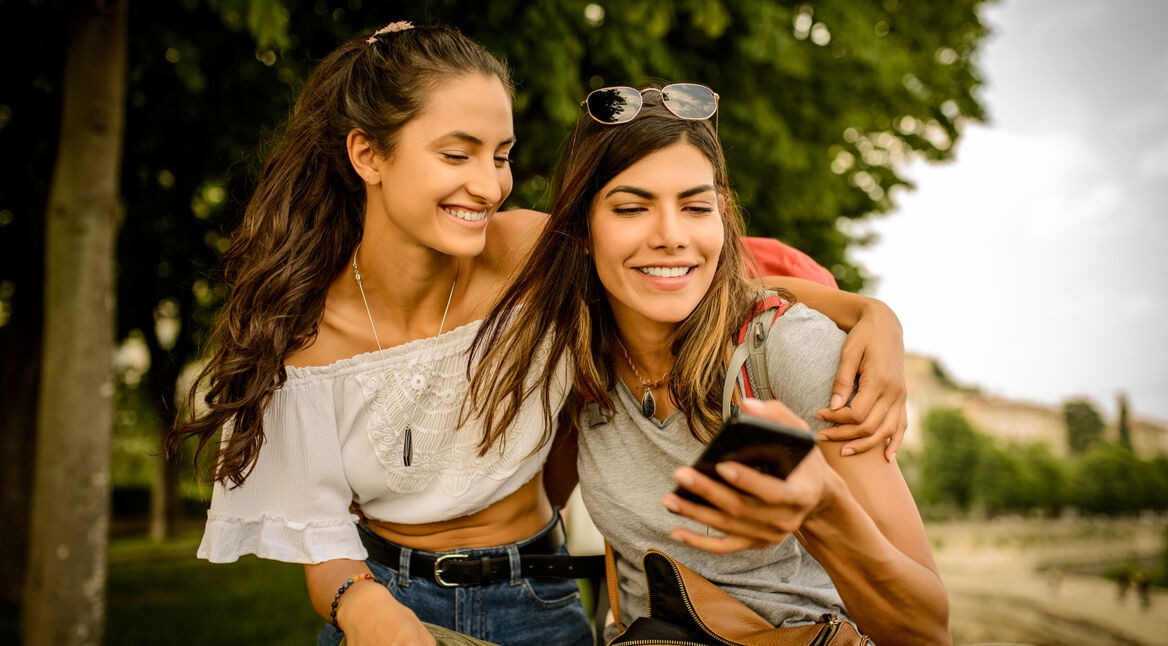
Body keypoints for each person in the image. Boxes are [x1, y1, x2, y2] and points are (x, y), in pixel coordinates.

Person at [170, 22, 911, 646]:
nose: (489, 186)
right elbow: (320, 537)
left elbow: (681, 269)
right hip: (383, 599)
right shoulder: (306, 337)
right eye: (456, 155)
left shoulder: (527, 251)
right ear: (368, 155)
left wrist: (867, 314)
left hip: (541, 599)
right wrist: (361, 608)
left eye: (500, 156)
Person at [468, 83, 951, 645]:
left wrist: (822, 509)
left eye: (696, 208)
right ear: (580, 229)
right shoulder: (580, 358)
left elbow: (926, 629)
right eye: (631, 208)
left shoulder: (787, 350)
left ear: (721, 218)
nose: (671, 237)